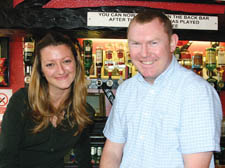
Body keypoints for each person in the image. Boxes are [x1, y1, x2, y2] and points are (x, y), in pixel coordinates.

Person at [100, 10, 222, 168]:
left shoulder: (196, 92)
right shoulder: (126, 90)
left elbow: (196, 165)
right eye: (136, 43)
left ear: (172, 43)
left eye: (153, 43)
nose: (144, 53)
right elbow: (112, 152)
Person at [0, 32, 94, 168]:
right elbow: (6, 157)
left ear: (76, 64)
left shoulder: (84, 112)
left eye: (66, 61)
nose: (61, 70)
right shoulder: (22, 101)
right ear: (41, 71)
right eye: (50, 64)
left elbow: (84, 158)